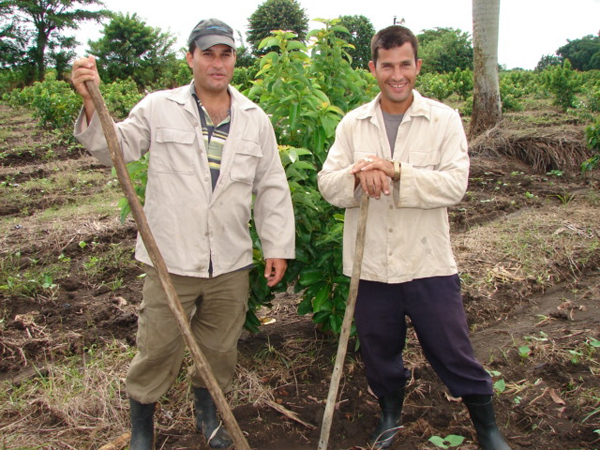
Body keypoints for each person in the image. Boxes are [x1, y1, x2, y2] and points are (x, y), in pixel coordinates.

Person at [71, 18, 295, 450]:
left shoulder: (254, 118)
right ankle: (141, 427)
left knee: (219, 348)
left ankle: (208, 415)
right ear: (190, 57)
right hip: (170, 257)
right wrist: (90, 104)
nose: (217, 62)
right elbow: (114, 148)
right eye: (207, 53)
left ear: (234, 59)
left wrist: (277, 246)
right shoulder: (159, 107)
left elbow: (271, 186)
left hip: (229, 259)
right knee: (157, 348)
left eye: (225, 54)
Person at [318, 25, 511, 450]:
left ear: (417, 66)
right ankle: (390, 414)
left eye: (405, 64)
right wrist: (358, 172)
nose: (396, 74)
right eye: (387, 65)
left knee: (451, 349)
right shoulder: (353, 125)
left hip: (427, 263)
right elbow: (329, 186)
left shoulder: (442, 119)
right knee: (378, 349)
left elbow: (454, 186)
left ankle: (487, 427)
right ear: (373, 68)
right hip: (370, 265)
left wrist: (396, 170)